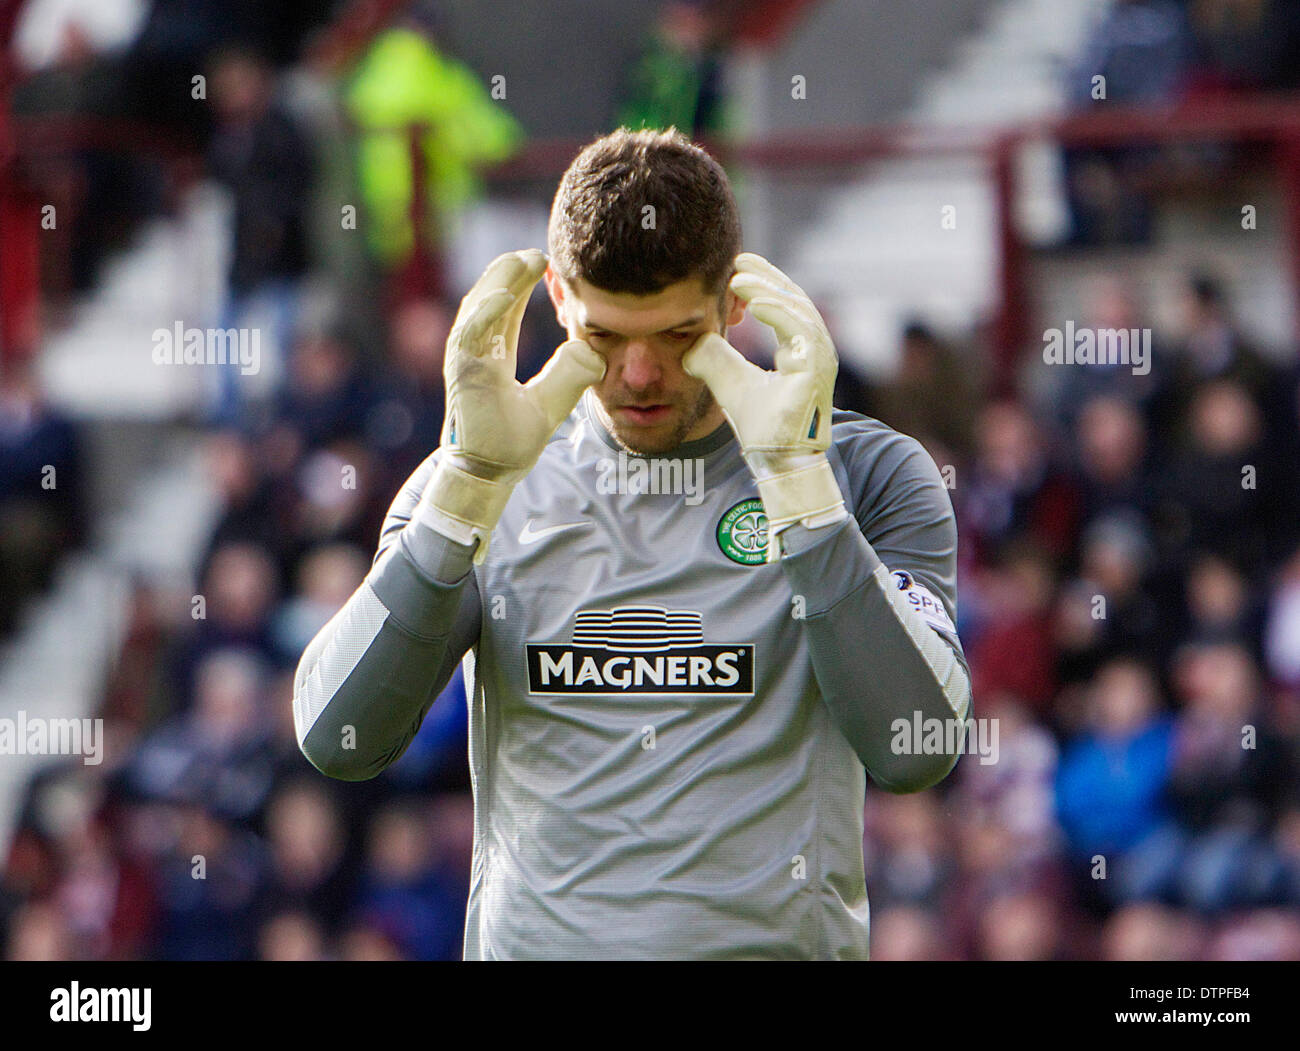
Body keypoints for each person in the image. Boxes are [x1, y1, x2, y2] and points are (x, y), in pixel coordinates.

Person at [292, 127, 972, 960]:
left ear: (734, 306)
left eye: (679, 336)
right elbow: (340, 738)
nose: (641, 374)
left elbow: (919, 748)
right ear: (556, 296)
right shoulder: (483, 470)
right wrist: (463, 490)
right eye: (606, 338)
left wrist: (799, 483)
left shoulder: (863, 471)